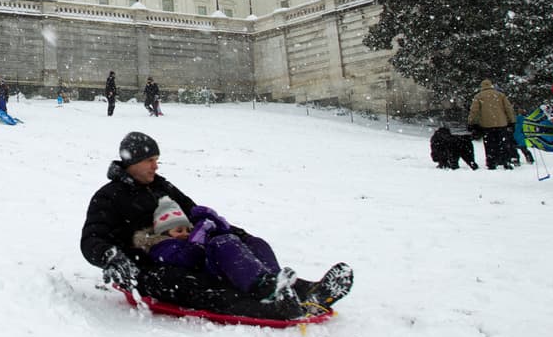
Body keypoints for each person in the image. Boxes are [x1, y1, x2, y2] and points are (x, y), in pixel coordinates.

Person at [80, 131, 353, 320]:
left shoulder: (163, 186)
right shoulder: (109, 196)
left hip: (190, 249)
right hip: (152, 265)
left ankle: (297, 289)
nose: (156, 165)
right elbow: (92, 238)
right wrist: (111, 257)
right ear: (134, 162)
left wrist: (237, 233)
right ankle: (270, 307)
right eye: (151, 160)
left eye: (156, 160)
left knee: (248, 245)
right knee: (192, 285)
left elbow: (197, 213)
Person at [134, 197, 302, 313]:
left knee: (255, 243)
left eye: (188, 229)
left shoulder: (188, 239)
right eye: (179, 230)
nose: (185, 233)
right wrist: (198, 238)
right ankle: (262, 287)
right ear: (164, 232)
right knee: (222, 243)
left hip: (218, 267)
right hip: (205, 277)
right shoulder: (161, 246)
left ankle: (275, 279)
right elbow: (188, 259)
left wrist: (219, 226)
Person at [468, 79, 517, 169]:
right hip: (502, 124)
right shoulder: (500, 95)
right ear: (491, 85)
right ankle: (506, 161)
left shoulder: (478, 96)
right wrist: (512, 121)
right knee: (503, 143)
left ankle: (491, 162)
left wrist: (471, 123)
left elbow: (474, 111)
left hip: (487, 125)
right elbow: (509, 109)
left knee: (490, 144)